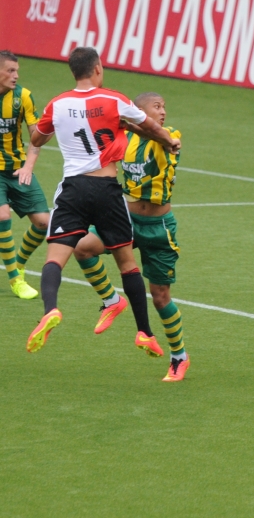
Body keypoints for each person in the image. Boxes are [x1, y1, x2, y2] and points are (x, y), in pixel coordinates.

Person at [26, 47, 180, 358]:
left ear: (73, 72)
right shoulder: (113, 99)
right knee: (127, 264)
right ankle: (145, 332)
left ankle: (51, 310)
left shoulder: (57, 103)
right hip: (107, 189)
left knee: (54, 258)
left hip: (73, 189)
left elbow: (38, 139)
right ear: (97, 69)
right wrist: (168, 139)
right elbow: (147, 126)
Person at [73, 92, 189, 382]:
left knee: (161, 297)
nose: (163, 112)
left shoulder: (170, 134)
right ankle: (112, 300)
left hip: (159, 226)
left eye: (164, 106)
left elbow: (162, 138)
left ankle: (179, 357)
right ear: (139, 110)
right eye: (157, 107)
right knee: (82, 248)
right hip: (125, 218)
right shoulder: (122, 139)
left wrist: (130, 121)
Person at [0, 50, 50, 300]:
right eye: (10, 70)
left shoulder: (23, 97)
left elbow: (36, 136)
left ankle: (18, 264)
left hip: (17, 168)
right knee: (2, 215)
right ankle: (15, 280)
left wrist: (29, 166)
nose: (16, 75)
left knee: (43, 223)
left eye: (17, 70)